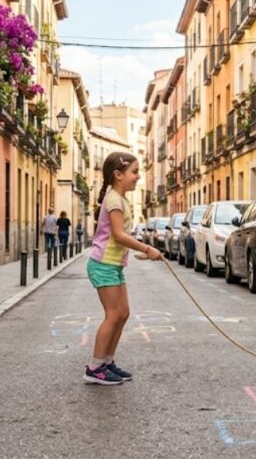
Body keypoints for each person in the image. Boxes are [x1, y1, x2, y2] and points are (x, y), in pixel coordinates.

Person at [85, 152, 162, 385]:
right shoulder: (113, 200)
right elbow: (118, 235)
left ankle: (107, 362)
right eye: (135, 172)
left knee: (123, 313)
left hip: (113, 265)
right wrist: (147, 249)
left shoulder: (120, 199)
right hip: (103, 264)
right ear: (118, 175)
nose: (138, 177)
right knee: (113, 315)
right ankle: (94, 368)